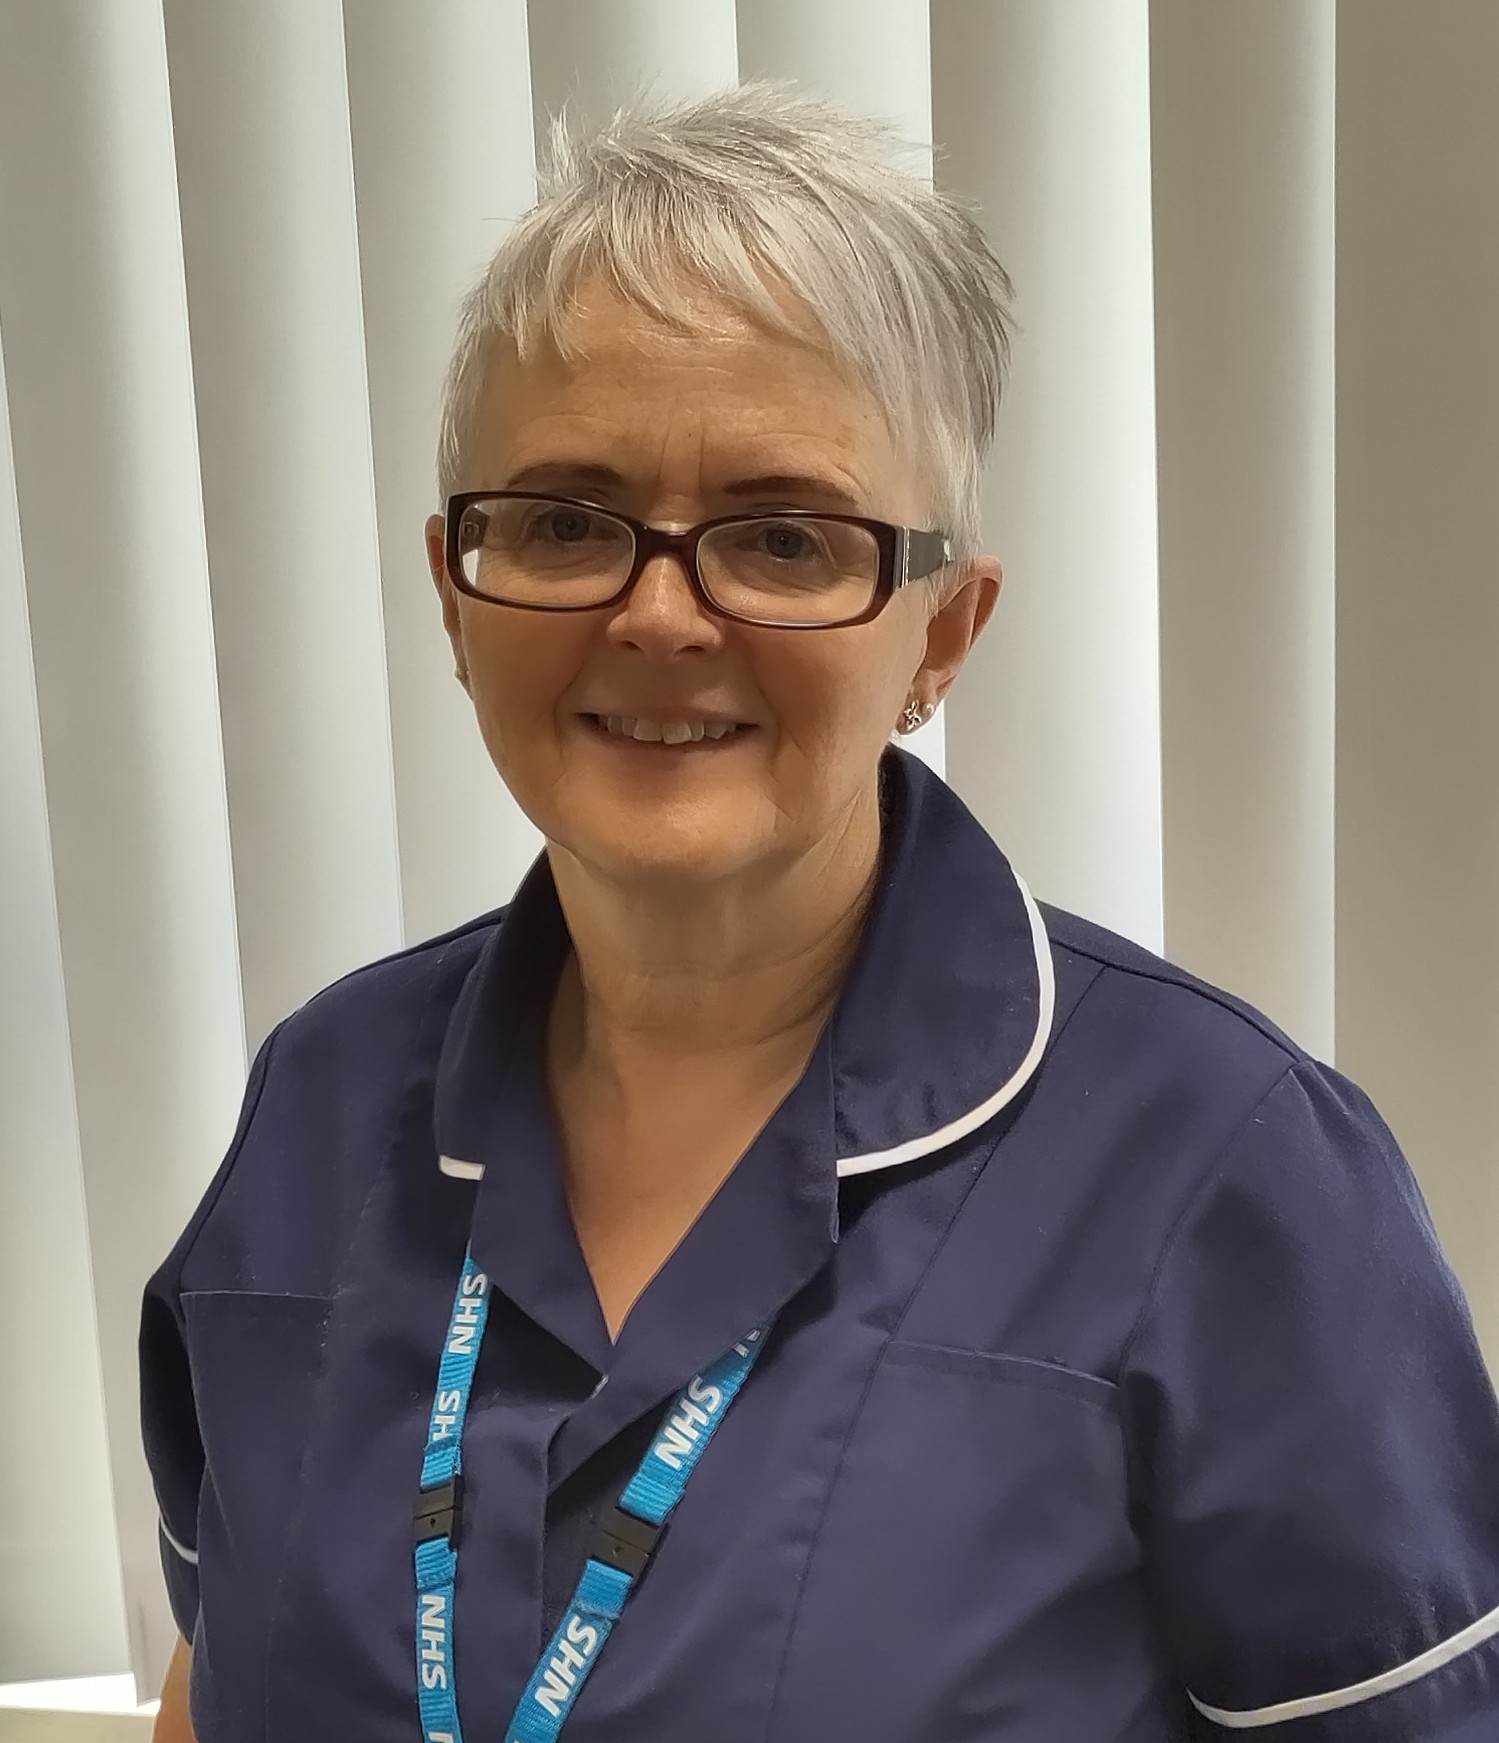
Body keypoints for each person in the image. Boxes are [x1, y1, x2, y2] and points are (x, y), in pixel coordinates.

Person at [141, 86, 1499, 1742]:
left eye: (783, 537)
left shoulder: (1224, 1170)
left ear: (944, 633)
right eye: (563, 520)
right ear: (452, 588)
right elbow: (216, 1675)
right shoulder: (320, 1101)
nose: (659, 616)